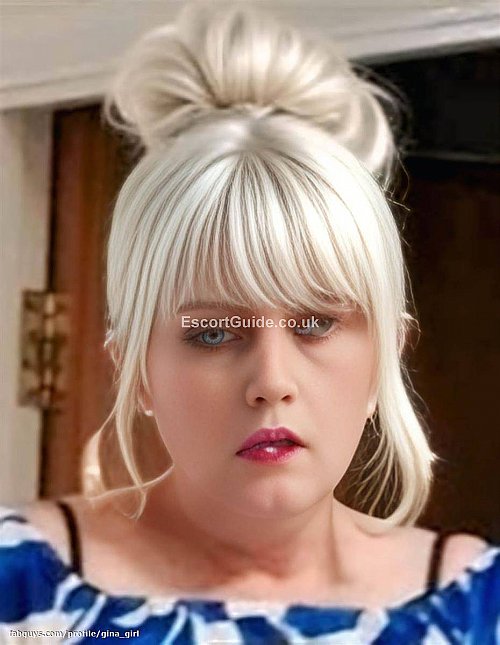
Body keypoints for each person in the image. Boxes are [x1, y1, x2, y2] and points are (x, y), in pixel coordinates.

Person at [1, 1, 499, 643]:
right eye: (212, 333)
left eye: (315, 325)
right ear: (136, 368)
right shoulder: (18, 594)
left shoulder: (480, 611)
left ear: (386, 353)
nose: (271, 381)